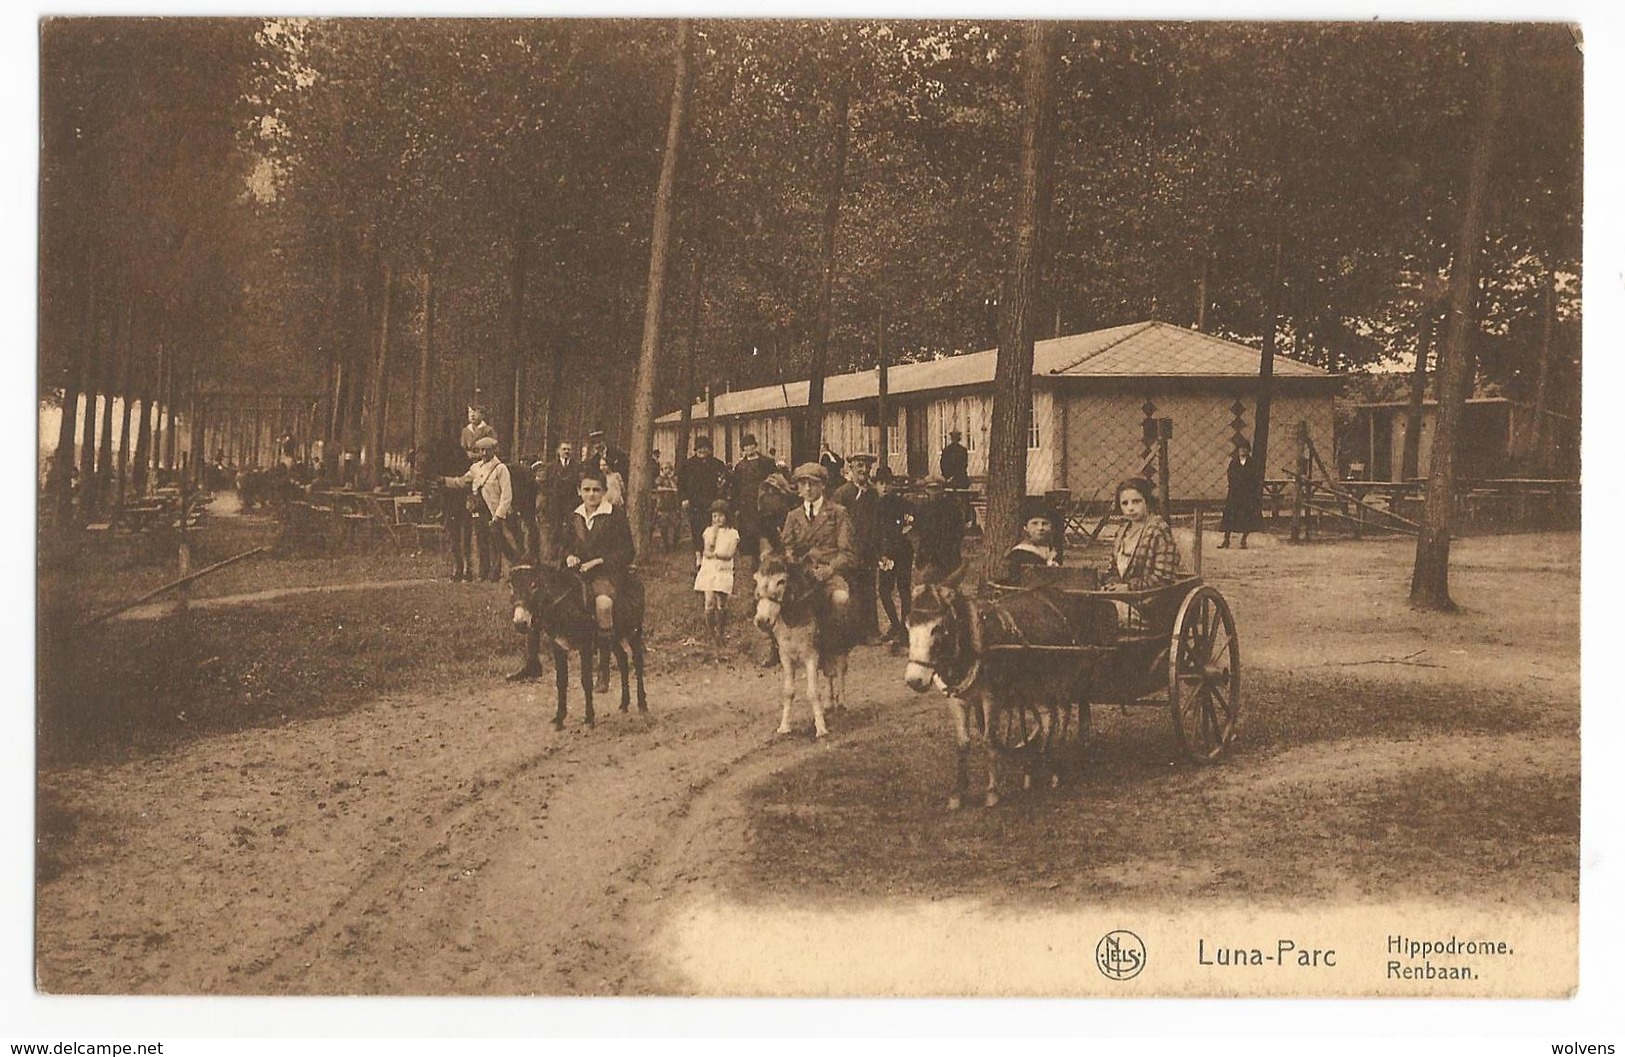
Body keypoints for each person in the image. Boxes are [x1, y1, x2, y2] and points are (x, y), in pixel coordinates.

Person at [564, 467, 635, 644]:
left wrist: (599, 561)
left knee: (603, 604)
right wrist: (569, 556)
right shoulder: (575, 516)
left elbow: (627, 551)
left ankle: (605, 649)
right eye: (587, 490)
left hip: (606, 573)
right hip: (577, 573)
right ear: (579, 491)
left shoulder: (614, 515)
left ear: (604, 491)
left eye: (596, 490)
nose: (591, 495)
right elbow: (565, 545)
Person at [780, 463, 854, 630]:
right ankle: (777, 649)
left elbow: (846, 553)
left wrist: (829, 569)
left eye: (812, 483)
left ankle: (836, 645)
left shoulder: (837, 513)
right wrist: (793, 563)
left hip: (828, 575)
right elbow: (787, 547)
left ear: (823, 485)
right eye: (803, 483)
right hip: (800, 576)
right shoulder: (793, 516)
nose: (807, 488)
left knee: (840, 599)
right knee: (774, 600)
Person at [1101, 477, 1182, 628]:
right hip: (1124, 598)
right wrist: (1111, 584)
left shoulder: (1158, 529)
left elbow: (1164, 577)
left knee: (1104, 613)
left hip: (1148, 603)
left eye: (1136, 501)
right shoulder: (1122, 531)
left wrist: (1128, 588)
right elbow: (1113, 570)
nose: (1130, 508)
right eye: (1125, 503)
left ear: (1147, 502)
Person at [443, 436, 518, 581]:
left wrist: (499, 515)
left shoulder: (501, 469)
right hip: (478, 511)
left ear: (493, 451)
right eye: (481, 450)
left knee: (496, 543)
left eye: (486, 450)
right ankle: (483, 573)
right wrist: (444, 481)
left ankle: (495, 574)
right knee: (481, 542)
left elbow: (506, 494)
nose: (483, 453)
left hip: (493, 511)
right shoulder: (476, 468)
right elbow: (461, 481)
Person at [832, 452, 882, 642]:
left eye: (866, 467)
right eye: (859, 466)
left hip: (867, 550)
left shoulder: (873, 494)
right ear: (851, 469)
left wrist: (878, 549)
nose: (863, 470)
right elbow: (835, 523)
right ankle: (850, 633)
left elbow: (877, 523)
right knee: (849, 590)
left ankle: (870, 632)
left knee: (868, 590)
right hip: (848, 550)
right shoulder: (842, 493)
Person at [873, 466, 914, 647]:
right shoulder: (872, 503)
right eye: (881, 483)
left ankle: (905, 629)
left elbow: (913, 519)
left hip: (902, 551)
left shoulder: (900, 503)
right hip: (884, 554)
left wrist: (905, 530)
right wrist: (879, 553)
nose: (885, 487)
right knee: (884, 590)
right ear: (875, 485)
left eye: (888, 483)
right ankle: (895, 624)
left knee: (904, 589)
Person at [425, 428, 472, 581]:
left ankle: (464, 567)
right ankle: (460, 567)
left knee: (462, 534)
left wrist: (442, 481)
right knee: (456, 534)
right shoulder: (440, 455)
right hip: (450, 500)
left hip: (461, 498)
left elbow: (465, 480)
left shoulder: (460, 455)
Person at [678, 435, 730, 566]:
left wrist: (720, 497)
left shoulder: (717, 464)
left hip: (711, 503)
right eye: (699, 448)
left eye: (705, 448)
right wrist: (684, 498)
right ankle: (698, 556)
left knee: (713, 528)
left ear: (710, 449)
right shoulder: (687, 465)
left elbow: (724, 482)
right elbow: (681, 484)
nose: (702, 451)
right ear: (695, 450)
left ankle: (712, 554)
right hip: (694, 502)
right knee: (696, 529)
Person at [694, 499, 740, 642]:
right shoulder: (708, 532)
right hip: (709, 569)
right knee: (709, 601)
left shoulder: (732, 534)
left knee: (721, 601)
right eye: (714, 516)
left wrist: (716, 554)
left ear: (727, 516)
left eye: (720, 516)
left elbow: (729, 554)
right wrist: (713, 535)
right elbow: (707, 551)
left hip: (723, 570)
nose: (717, 519)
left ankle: (720, 632)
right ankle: (710, 632)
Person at [729, 433, 775, 572]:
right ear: (742, 449)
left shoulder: (766, 462)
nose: (748, 448)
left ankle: (766, 558)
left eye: (750, 445)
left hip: (764, 502)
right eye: (745, 447)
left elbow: (775, 480)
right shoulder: (740, 466)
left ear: (755, 446)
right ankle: (755, 559)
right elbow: (735, 487)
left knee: (765, 530)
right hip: (747, 505)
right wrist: (736, 505)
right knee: (751, 532)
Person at [908, 474, 965, 580]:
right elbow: (916, 530)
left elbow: (959, 532)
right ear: (926, 490)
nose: (934, 492)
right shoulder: (922, 509)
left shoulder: (952, 509)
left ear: (942, 490)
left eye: (937, 489)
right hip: (926, 555)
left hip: (947, 556)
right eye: (930, 489)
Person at [999, 496, 1064, 585]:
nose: (1040, 528)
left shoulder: (1053, 551)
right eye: (1034, 523)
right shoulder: (1020, 553)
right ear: (1026, 527)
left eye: (1045, 524)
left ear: (1051, 528)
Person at [1220, 438, 1263, 549]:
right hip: (1235, 494)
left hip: (1247, 494)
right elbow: (1231, 476)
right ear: (1238, 450)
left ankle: (1243, 540)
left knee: (1246, 517)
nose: (1243, 451)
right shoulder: (1233, 463)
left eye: (1245, 449)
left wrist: (1251, 490)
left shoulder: (1252, 463)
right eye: (1240, 449)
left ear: (1248, 450)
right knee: (1230, 517)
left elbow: (1255, 478)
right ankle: (1226, 540)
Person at [654, 462, 682, 550]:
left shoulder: (674, 479)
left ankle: (674, 544)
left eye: (668, 469)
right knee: (664, 526)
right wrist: (669, 489)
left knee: (676, 525)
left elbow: (676, 489)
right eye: (665, 468)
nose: (667, 471)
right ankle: (666, 545)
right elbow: (658, 489)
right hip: (663, 505)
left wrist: (670, 479)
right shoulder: (659, 479)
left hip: (673, 505)